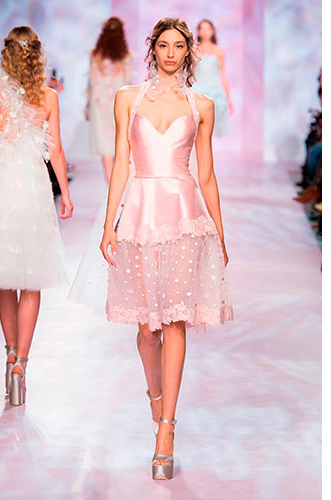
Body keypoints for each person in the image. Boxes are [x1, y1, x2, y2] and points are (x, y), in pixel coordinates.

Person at [97, 17, 233, 480]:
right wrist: (110, 223)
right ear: (152, 49)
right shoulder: (127, 98)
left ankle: (167, 429)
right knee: (146, 329)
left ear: (188, 52)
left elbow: (207, 174)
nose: (171, 53)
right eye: (164, 45)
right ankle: (155, 399)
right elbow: (120, 165)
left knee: (175, 321)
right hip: (139, 216)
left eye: (179, 46)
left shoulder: (201, 105)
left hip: (183, 218)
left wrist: (220, 232)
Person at [0, 26, 74, 406]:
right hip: (33, 187)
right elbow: (55, 151)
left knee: (4, 276)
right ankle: (22, 363)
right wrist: (65, 194)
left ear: (5, 53)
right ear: (38, 54)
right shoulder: (49, 96)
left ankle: (9, 354)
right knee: (31, 279)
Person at [86, 17, 132, 182]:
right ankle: (117, 183)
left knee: (105, 143)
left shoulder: (96, 54)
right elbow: (127, 81)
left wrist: (88, 105)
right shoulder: (124, 56)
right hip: (117, 102)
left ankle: (110, 184)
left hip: (99, 103)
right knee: (118, 140)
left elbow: (91, 81)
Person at [191, 19, 233, 136]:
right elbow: (190, 72)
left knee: (211, 127)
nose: (205, 32)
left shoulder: (219, 51)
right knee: (195, 127)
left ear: (213, 31)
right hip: (196, 90)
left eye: (208, 29)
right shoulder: (193, 50)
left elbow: (222, 74)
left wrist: (228, 97)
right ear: (198, 32)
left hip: (214, 92)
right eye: (202, 29)